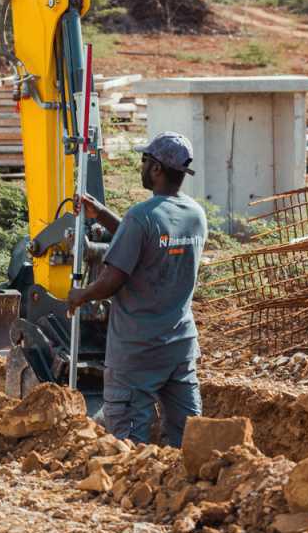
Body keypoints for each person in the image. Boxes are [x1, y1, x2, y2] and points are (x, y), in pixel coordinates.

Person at [66, 131, 208, 447]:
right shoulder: (195, 215)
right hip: (180, 346)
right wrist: (102, 214)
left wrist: (81, 295)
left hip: (137, 351)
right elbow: (151, 242)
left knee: (129, 443)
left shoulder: (141, 217)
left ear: (156, 168)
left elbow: (111, 281)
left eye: (144, 161)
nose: (141, 167)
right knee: (187, 438)